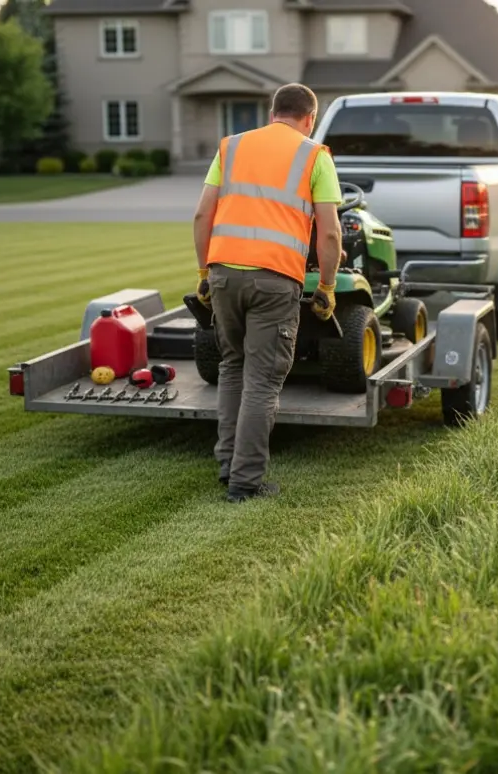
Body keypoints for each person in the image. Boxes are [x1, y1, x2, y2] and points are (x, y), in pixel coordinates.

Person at [191, 83, 344, 503]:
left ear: (272, 111)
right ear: (309, 118)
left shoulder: (232, 147)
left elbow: (203, 213)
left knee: (233, 366)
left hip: (223, 274)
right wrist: (327, 287)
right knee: (262, 380)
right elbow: (329, 233)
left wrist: (205, 272)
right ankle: (245, 483)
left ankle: (228, 467)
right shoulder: (315, 155)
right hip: (275, 280)